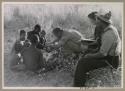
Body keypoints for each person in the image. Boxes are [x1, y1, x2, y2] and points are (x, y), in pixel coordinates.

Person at [74, 11, 121, 87]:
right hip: (109, 57)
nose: (96, 21)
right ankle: (82, 76)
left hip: (110, 61)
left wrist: (89, 56)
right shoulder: (107, 29)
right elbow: (99, 42)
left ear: (101, 22)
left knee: (82, 63)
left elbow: (102, 53)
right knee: (87, 53)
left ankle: (78, 86)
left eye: (97, 19)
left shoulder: (109, 34)